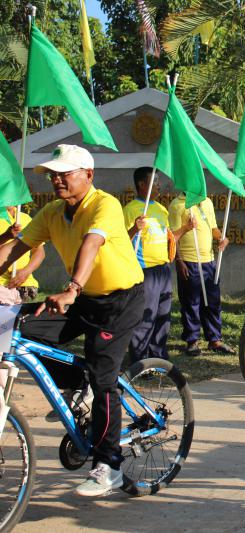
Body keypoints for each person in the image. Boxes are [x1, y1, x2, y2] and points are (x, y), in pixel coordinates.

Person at [0, 144, 146, 496]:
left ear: (88, 175)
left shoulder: (105, 205)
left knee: (103, 377)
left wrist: (72, 288)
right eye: (53, 175)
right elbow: (16, 248)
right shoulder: (52, 212)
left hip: (118, 301)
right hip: (81, 299)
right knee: (19, 329)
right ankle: (76, 382)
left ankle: (109, 465)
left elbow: (91, 244)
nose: (57, 180)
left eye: (64, 174)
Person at [122, 168, 178, 360]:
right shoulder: (130, 210)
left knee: (163, 315)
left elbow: (168, 237)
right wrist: (133, 229)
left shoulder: (162, 209)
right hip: (145, 271)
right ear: (142, 185)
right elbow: (120, 241)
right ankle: (140, 360)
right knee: (146, 316)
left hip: (163, 269)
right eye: (154, 182)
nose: (159, 185)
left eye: (159, 182)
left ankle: (158, 357)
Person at [168, 192, 233, 356]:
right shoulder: (177, 205)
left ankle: (214, 339)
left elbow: (213, 229)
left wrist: (222, 238)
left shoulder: (207, 202)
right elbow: (172, 238)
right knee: (191, 303)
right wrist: (179, 261)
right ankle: (192, 341)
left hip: (209, 261)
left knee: (212, 302)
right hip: (188, 261)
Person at [0, 205, 45, 302]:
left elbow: (39, 251)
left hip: (25, 285)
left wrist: (26, 271)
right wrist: (5, 236)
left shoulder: (25, 218)